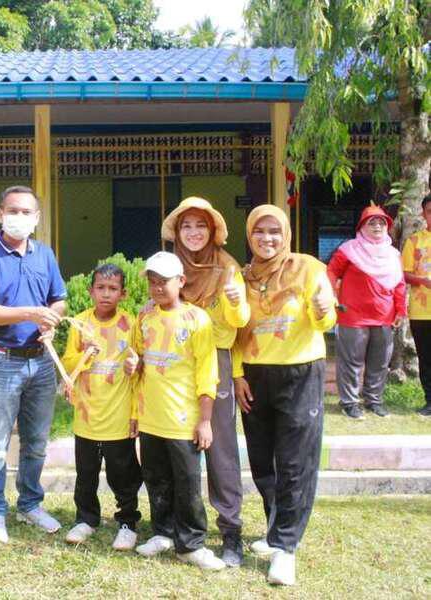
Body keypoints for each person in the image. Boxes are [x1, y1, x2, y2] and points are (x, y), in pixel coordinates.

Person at [233, 204, 336, 586]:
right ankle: (276, 528)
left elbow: (326, 319)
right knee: (263, 461)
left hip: (300, 372)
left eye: (274, 231)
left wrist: (323, 310)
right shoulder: (243, 277)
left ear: (286, 234)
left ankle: (286, 547)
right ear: (249, 236)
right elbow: (237, 329)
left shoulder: (308, 268)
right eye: (259, 232)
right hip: (255, 376)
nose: (267, 239)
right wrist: (238, 375)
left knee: (295, 462)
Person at [0, 185, 67, 543]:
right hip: (1, 360)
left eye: (26, 212)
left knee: (36, 441)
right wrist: (28, 313)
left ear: (37, 218)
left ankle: (30, 504)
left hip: (40, 362)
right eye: (13, 211)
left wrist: (51, 319)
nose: (19, 217)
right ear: (0, 214)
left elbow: (59, 300)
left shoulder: (45, 255)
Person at [161, 196, 249, 566]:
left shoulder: (227, 268)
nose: (194, 232)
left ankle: (231, 531)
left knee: (220, 447)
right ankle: (171, 525)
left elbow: (240, 322)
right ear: (177, 231)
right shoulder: (168, 266)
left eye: (201, 225)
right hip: (174, 364)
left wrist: (234, 300)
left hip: (216, 359)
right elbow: (156, 306)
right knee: (174, 444)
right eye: (187, 226)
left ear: (213, 230)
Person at [131, 252, 225, 572]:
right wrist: (133, 366)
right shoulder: (145, 318)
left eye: (164, 281)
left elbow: (207, 371)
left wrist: (205, 421)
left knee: (187, 485)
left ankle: (192, 544)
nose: (158, 288)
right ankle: (163, 533)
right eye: (152, 282)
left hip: (183, 420)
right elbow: (138, 360)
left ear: (181, 281)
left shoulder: (197, 319)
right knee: (156, 479)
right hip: (151, 418)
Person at [61, 263, 143, 551]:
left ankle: (127, 522)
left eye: (113, 289)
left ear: (123, 293)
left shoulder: (131, 324)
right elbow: (68, 365)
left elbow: (138, 371)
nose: (106, 294)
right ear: (91, 291)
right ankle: (86, 518)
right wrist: (84, 354)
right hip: (86, 415)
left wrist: (135, 412)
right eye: (101, 288)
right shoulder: (80, 324)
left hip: (118, 417)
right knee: (86, 473)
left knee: (123, 475)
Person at [328, 203, 406, 419]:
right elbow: (331, 272)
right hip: (352, 316)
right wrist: (332, 296)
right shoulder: (349, 250)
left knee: (379, 363)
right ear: (362, 227)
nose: (377, 226)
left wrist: (401, 310)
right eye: (372, 223)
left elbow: (399, 284)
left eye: (382, 223)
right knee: (351, 362)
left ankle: (374, 400)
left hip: (384, 316)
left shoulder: (393, 254)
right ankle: (349, 402)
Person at [401, 193, 431, 417]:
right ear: (423, 213)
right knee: (426, 359)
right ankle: (430, 401)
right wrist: (422, 281)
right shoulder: (413, 241)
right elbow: (403, 274)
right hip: (421, 312)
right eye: (430, 212)